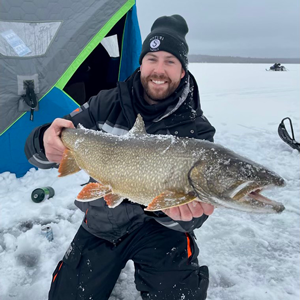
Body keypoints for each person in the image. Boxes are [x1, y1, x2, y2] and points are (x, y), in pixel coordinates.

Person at [25, 14, 216, 300]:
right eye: (151, 59)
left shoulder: (196, 131)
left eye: (170, 61)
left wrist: (187, 217)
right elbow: (46, 144)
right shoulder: (107, 102)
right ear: (141, 63)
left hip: (161, 230)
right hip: (103, 222)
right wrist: (43, 141)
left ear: (183, 70)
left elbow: (193, 213)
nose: (159, 70)